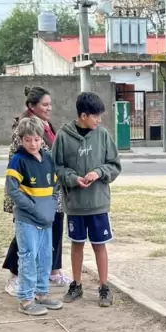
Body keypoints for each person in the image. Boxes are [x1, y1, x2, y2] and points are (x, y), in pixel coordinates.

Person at [51, 91, 121, 307]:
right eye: (96, 116)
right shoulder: (63, 136)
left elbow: (115, 165)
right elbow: (56, 167)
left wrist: (98, 172)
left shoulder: (103, 135)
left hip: (98, 203)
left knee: (100, 245)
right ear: (83, 115)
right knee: (77, 244)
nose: (99, 120)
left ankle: (104, 287)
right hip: (75, 205)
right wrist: (72, 178)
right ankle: (77, 285)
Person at [2, 85, 70, 295]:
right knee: (27, 237)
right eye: (44, 105)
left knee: (53, 229)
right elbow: (17, 161)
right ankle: (15, 275)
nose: (49, 108)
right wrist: (26, 199)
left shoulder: (46, 126)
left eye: (50, 104)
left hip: (48, 192)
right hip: (30, 192)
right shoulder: (24, 128)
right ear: (32, 106)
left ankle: (53, 271)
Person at [5, 115, 63, 316]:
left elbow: (56, 185)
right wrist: (32, 208)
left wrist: (51, 206)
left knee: (45, 256)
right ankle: (25, 299)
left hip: (46, 219)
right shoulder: (18, 160)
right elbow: (12, 190)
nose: (32, 144)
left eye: (36, 139)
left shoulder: (47, 158)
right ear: (21, 139)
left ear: (41, 139)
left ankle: (41, 293)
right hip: (27, 219)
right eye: (27, 140)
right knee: (28, 257)